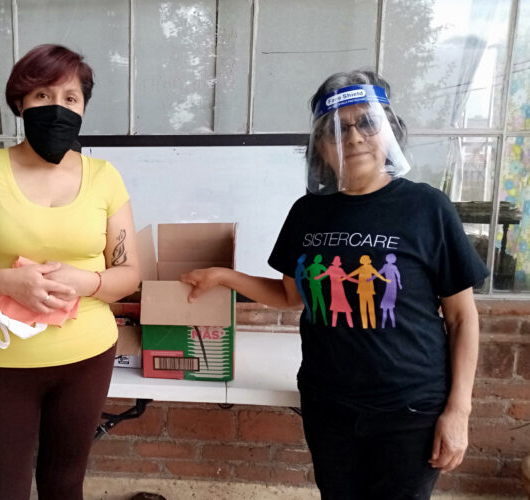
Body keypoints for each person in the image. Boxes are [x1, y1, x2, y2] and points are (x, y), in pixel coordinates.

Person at [180, 70, 488, 499]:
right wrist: (224, 277)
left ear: (390, 131)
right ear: (320, 149)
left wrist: (459, 410)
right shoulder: (308, 212)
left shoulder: (426, 207)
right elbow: (290, 296)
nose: (355, 137)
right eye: (337, 129)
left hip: (410, 407)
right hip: (329, 403)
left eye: (367, 122)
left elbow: (462, 318)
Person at [0, 44, 140, 500]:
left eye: (71, 98)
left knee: (65, 484)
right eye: (43, 95)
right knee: (1, 489)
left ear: (84, 106)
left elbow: (129, 272)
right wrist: (5, 281)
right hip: (1, 361)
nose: (58, 108)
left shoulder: (105, 176)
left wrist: (88, 282)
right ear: (20, 103)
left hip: (86, 356)